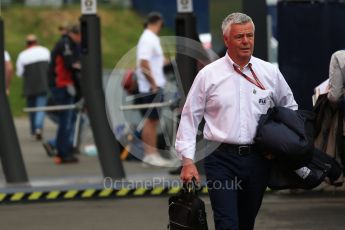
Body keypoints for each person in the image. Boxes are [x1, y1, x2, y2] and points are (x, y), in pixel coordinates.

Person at [175, 12, 298, 230]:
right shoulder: (209, 75)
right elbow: (190, 116)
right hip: (220, 159)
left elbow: (290, 109)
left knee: (245, 223)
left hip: (259, 159)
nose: (246, 41)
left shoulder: (269, 72)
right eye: (240, 36)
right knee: (227, 223)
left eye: (250, 36)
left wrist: (278, 146)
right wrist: (187, 160)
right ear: (226, 40)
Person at [136, 12, 174, 167]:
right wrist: (153, 83)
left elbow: (156, 60)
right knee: (151, 121)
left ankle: (151, 154)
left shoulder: (152, 39)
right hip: (151, 86)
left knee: (153, 120)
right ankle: (150, 154)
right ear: (158, 22)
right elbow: (143, 63)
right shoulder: (148, 38)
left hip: (155, 84)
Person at [47, 24, 81, 164]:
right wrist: (79, 65)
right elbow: (69, 64)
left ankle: (62, 147)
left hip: (65, 85)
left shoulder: (69, 43)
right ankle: (62, 152)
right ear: (77, 34)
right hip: (61, 85)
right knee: (65, 120)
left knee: (70, 118)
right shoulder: (66, 43)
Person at [16, 34, 50, 140]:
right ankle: (38, 128)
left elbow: (20, 73)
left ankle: (33, 129)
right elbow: (50, 67)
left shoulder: (23, 55)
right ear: (37, 41)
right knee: (40, 108)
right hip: (43, 84)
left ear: (27, 43)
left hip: (29, 86)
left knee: (31, 109)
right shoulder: (45, 51)